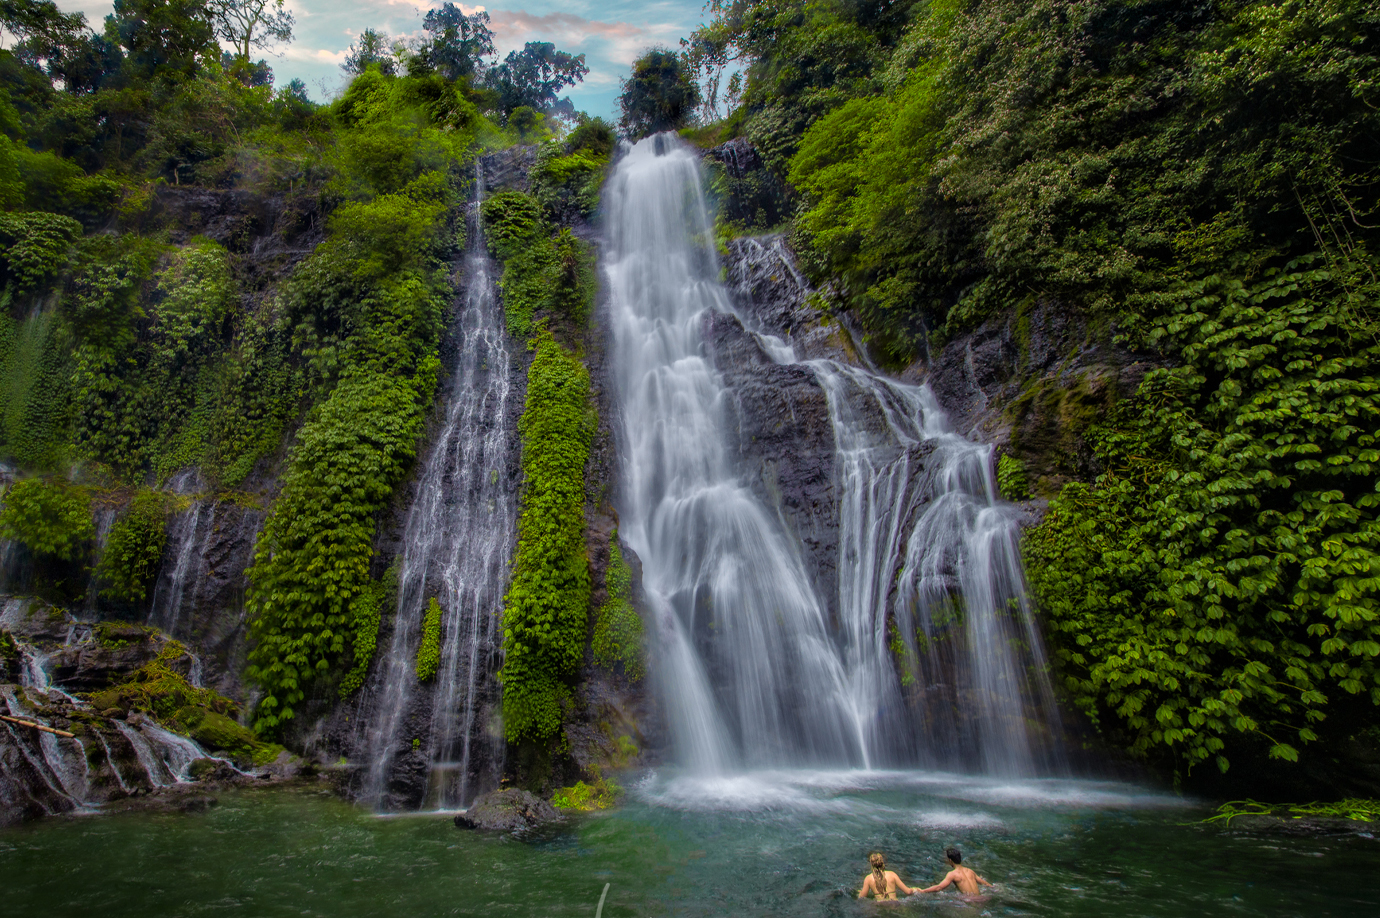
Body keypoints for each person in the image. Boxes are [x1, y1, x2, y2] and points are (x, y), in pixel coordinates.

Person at [917, 846, 993, 896]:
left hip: (970, 901)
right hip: (981, 899)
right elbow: (986, 884)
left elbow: (939, 887)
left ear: (950, 860)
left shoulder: (952, 874)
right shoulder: (970, 871)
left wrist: (923, 891)